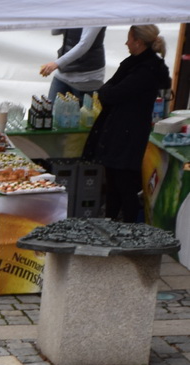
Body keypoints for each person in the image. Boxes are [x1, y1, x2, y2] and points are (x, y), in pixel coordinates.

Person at [87, 26, 169, 223]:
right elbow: (108, 90)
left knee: (124, 185)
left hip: (127, 134)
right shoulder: (135, 65)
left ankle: (128, 228)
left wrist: (106, 91)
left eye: (129, 39)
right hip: (121, 130)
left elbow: (110, 93)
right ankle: (111, 223)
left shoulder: (145, 70)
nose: (126, 43)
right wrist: (106, 91)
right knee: (115, 182)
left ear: (138, 42)